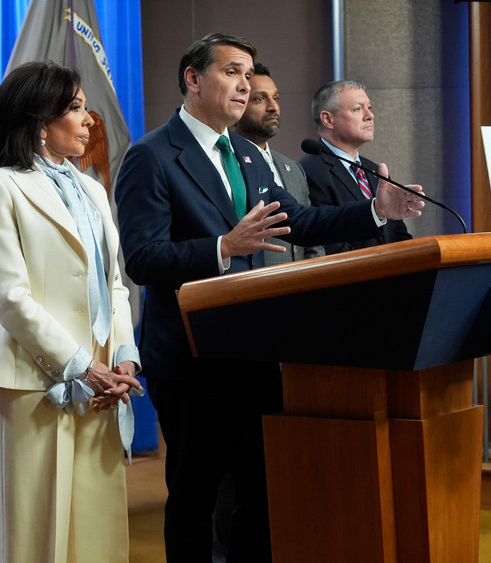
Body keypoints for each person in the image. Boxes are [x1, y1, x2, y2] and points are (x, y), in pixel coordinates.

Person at [113, 33, 423, 562]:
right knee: (195, 498)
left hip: (251, 354)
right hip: (191, 360)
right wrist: (222, 248)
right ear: (193, 79)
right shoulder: (152, 156)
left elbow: (299, 221)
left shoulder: (248, 157)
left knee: (259, 495)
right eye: (232, 71)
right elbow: (142, 260)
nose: (245, 84)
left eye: (248, 72)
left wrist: (378, 211)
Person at [0, 61, 144, 563]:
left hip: (105, 382)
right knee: (39, 531)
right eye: (75, 108)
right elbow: (11, 297)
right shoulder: (0, 186)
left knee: (97, 528)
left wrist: (124, 358)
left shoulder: (92, 188)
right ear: (39, 120)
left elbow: (114, 283)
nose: (89, 119)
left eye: (85, 106)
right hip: (40, 379)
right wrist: (79, 365)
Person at [299, 80, 412, 254]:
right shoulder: (309, 171)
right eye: (358, 109)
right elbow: (328, 243)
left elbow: (397, 235)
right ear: (328, 119)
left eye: (370, 107)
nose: (370, 116)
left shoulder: (375, 171)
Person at [232, 62, 324, 266]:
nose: (273, 107)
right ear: (238, 105)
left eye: (276, 98)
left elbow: (310, 233)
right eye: (260, 99)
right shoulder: (228, 165)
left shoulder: (292, 168)